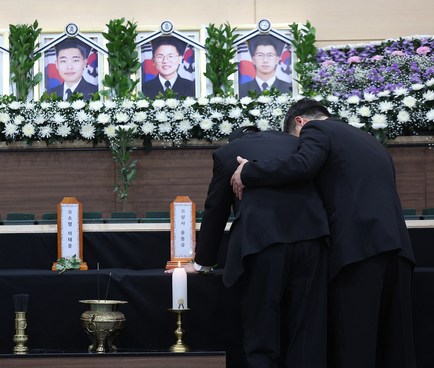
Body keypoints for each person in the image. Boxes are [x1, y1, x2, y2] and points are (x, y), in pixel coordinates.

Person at [231, 98, 416, 368]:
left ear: (299, 123)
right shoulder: (368, 139)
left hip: (359, 249)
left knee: (354, 345)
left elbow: (303, 165)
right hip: (398, 248)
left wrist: (250, 170)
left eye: (294, 141)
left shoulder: (317, 130)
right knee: (395, 347)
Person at [167, 126, 330, 367]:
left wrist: (201, 264)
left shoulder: (228, 153)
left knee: (261, 325)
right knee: (307, 328)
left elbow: (216, 211)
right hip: (312, 237)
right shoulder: (295, 144)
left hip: (263, 242)